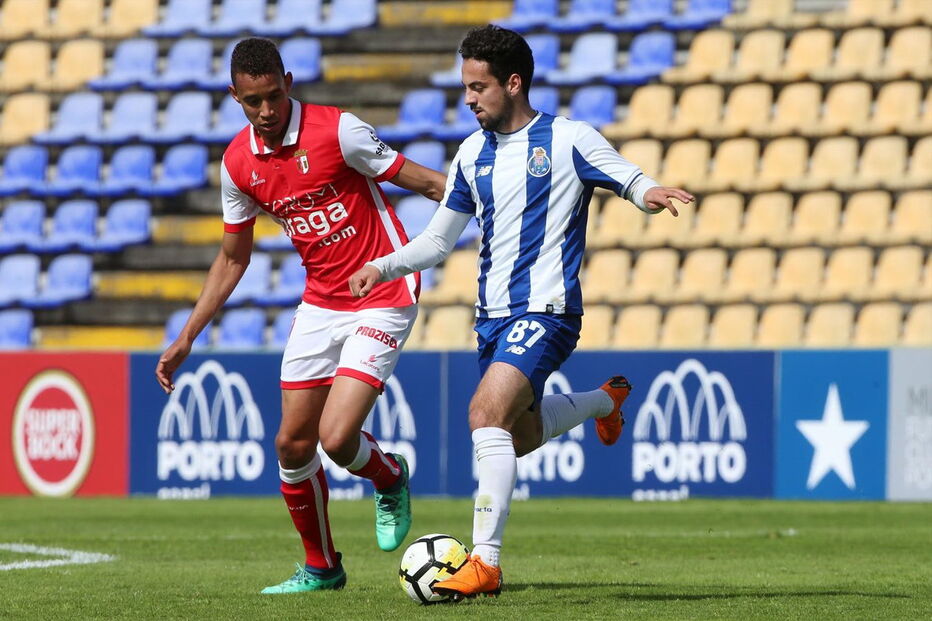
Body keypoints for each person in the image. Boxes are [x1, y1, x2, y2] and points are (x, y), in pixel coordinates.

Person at [349, 25, 694, 599]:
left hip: (547, 310)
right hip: (491, 317)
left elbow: (627, 176)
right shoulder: (471, 154)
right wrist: (382, 266)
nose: (468, 99)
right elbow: (438, 241)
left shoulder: (569, 138)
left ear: (513, 83)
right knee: (518, 435)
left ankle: (485, 564)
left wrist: (648, 193)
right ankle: (605, 401)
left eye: (478, 87)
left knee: (484, 414)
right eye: (465, 87)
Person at [155, 38, 447, 594]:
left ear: (288, 82)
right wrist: (187, 336)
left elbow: (427, 182)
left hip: (383, 288)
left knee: (335, 438)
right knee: (292, 445)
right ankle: (322, 567)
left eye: (273, 96)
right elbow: (233, 258)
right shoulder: (238, 164)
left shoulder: (339, 130)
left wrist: (490, 212)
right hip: (320, 301)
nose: (266, 111)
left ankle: (389, 477)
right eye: (253, 101)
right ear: (234, 96)